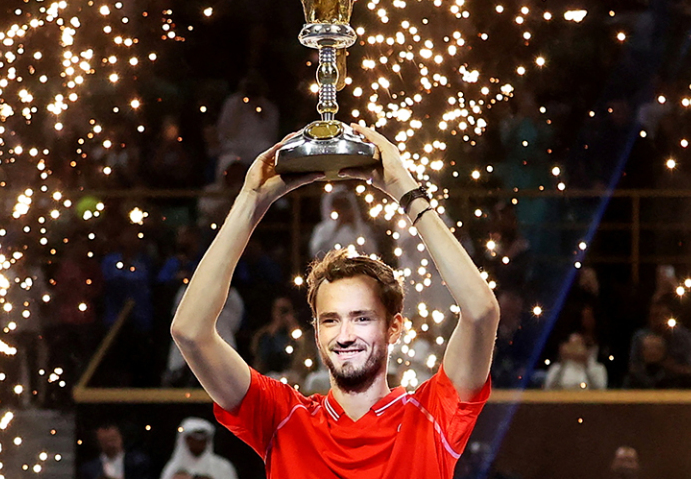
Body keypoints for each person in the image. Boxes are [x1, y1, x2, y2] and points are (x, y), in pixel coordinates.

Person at [171, 124, 500, 479]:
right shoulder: (282, 416)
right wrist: (251, 200)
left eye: (362, 318)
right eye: (331, 319)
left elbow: (481, 312)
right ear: (316, 332)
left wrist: (404, 190)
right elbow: (190, 331)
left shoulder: (431, 415)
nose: (345, 335)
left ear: (393, 327)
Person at [158, 418, 237, 479]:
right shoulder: (172, 468)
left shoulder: (222, 467)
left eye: (202, 440)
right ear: (186, 440)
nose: (197, 443)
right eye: (193, 439)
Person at [79, 423, 152, 479]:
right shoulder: (89, 469)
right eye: (105, 441)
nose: (110, 444)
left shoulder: (138, 462)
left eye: (113, 439)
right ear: (98, 442)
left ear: (121, 438)